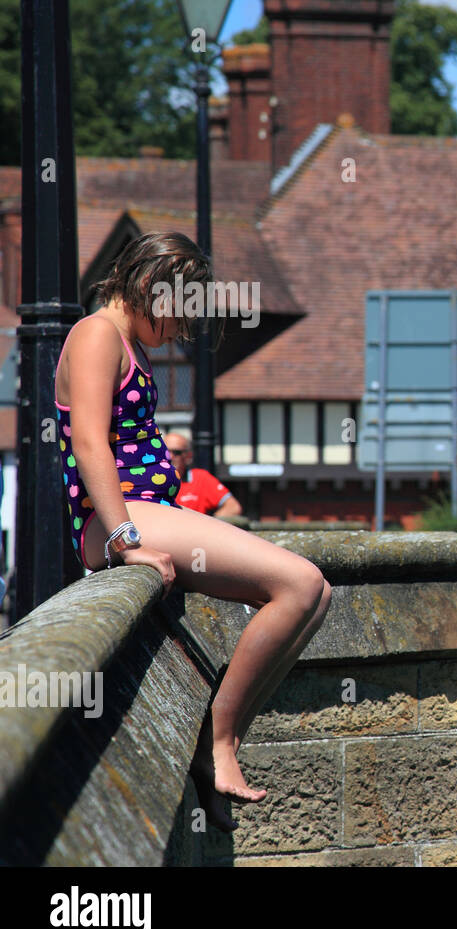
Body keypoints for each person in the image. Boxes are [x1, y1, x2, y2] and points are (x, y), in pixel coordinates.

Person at [54, 231, 331, 832]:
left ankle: (222, 737)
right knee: (300, 583)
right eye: (181, 314)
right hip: (117, 517)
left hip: (140, 511)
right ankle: (218, 741)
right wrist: (126, 541)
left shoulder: (128, 341)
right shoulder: (98, 334)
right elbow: (87, 443)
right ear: (154, 289)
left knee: (314, 596)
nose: (183, 331)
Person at [163, 433, 243, 517]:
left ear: (188, 456)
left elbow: (233, 507)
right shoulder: (150, 479)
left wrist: (208, 525)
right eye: (166, 451)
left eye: (177, 453)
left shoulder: (200, 478)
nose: (170, 457)